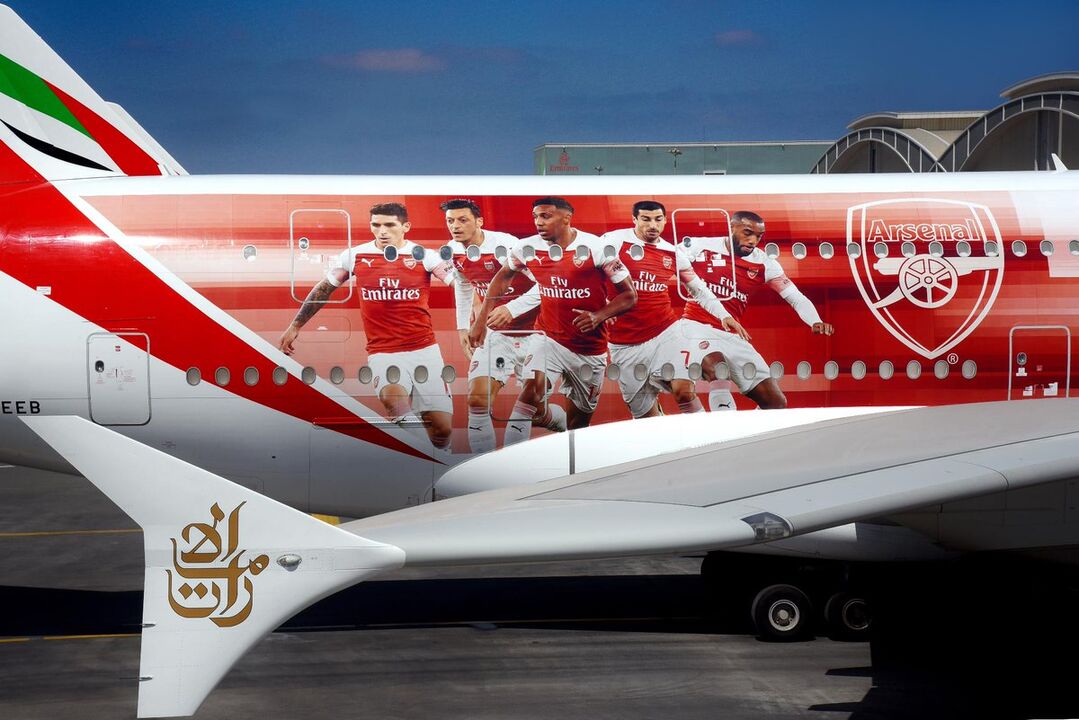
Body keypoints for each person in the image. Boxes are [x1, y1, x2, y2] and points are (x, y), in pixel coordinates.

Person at [278, 202, 455, 453]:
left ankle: (440, 457)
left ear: (405, 226)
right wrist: (295, 325)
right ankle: (425, 461)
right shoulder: (355, 256)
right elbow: (324, 289)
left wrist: (476, 316)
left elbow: (459, 285)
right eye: (376, 225)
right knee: (394, 404)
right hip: (383, 352)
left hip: (424, 351)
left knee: (442, 431)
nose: (382, 231)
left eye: (389, 225)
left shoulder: (424, 256)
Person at [469, 196, 636, 444]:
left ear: (566, 218)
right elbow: (502, 276)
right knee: (530, 395)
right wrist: (481, 320)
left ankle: (560, 428)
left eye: (546, 216)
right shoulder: (527, 248)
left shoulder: (596, 248)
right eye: (536, 216)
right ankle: (515, 460)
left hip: (589, 349)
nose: (538, 222)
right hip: (547, 339)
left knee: (578, 425)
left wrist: (599, 315)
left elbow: (629, 295)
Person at [600, 200, 748, 418]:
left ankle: (706, 434)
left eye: (658, 219)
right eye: (646, 219)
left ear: (665, 221)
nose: (653, 225)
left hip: (665, 333)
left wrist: (724, 315)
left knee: (684, 391)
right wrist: (602, 304)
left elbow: (698, 289)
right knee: (645, 418)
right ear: (634, 220)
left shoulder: (672, 253)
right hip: (623, 343)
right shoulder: (612, 241)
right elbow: (586, 274)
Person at [679, 210, 834, 410]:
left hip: (732, 333)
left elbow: (795, 297)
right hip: (696, 327)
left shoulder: (764, 263)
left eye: (758, 236)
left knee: (775, 403)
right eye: (747, 233)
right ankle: (725, 429)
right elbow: (661, 260)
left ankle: (749, 430)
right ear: (731, 227)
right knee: (719, 371)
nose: (753, 241)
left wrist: (815, 320)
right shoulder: (698, 247)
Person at [441, 198, 552, 453]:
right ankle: (485, 465)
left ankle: (552, 420)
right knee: (477, 400)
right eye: (450, 221)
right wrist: (462, 327)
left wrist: (511, 308)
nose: (455, 226)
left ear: (479, 221)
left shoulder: (508, 246)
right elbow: (464, 284)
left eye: (462, 220)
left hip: (538, 332)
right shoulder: (452, 250)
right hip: (497, 334)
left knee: (531, 409)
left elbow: (547, 284)